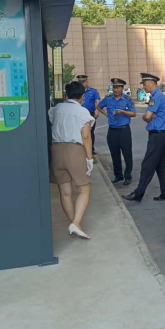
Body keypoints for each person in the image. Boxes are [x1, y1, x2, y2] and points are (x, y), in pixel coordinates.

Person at [48, 81, 95, 240]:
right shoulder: (82, 112)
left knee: (65, 192)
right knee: (84, 189)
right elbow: (86, 137)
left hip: (56, 150)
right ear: (82, 96)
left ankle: (75, 225)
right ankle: (76, 223)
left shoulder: (56, 109)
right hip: (74, 150)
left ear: (66, 95)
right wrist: (89, 159)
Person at [123, 73, 165, 202]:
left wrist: (145, 116)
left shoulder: (156, 96)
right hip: (160, 135)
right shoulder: (157, 95)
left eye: (145, 84)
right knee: (161, 166)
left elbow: (147, 116)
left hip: (157, 136)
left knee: (147, 164)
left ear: (151, 83)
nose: (144, 87)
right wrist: (149, 116)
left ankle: (138, 194)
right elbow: (150, 115)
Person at [98, 78, 136, 185]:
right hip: (112, 131)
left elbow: (134, 113)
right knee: (114, 154)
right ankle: (118, 175)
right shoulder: (108, 99)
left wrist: (123, 111)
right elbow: (99, 106)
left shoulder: (127, 99)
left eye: (118, 88)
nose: (115, 90)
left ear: (122, 88)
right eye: (114, 87)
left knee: (127, 154)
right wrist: (106, 114)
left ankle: (128, 175)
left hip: (124, 131)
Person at [77, 74, 101, 155]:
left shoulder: (93, 91)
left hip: (90, 113)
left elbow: (97, 101)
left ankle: (91, 149)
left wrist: (97, 111)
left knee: (90, 131)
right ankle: (81, 148)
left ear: (87, 81)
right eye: (80, 82)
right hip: (78, 113)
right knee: (79, 131)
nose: (81, 83)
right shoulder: (76, 91)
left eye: (83, 82)